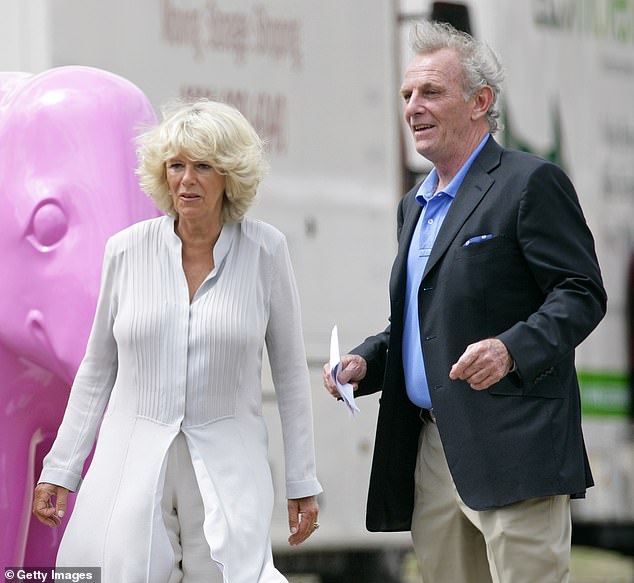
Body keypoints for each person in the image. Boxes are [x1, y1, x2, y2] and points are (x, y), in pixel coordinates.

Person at [323, 20, 606, 583]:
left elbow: (580, 292)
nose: (413, 107)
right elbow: (420, 323)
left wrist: (511, 349)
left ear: (480, 102)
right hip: (432, 448)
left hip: (515, 447)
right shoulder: (414, 206)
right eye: (407, 94)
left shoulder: (531, 183)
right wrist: (366, 362)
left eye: (431, 92)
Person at [33, 99, 322, 583]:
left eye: (203, 166)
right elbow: (97, 369)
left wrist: (302, 480)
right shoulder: (125, 251)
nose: (186, 180)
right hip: (130, 461)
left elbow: (291, 374)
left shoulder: (266, 250)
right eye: (176, 166)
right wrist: (61, 467)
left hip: (231, 463)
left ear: (229, 175)